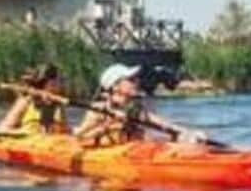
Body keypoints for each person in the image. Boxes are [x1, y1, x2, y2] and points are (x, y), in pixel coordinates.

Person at [75, 63, 209, 148]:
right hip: (106, 159)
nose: (137, 82)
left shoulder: (134, 108)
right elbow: (79, 139)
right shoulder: (99, 109)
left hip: (132, 152)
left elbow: (163, 124)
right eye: (131, 79)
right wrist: (107, 126)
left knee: (177, 139)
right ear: (115, 86)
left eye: (136, 78)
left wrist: (187, 133)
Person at [0, 64, 70, 134]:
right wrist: (26, 132)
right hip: (28, 142)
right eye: (54, 84)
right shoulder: (26, 101)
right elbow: (3, 130)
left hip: (53, 143)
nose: (59, 87)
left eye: (59, 82)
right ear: (42, 84)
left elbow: (67, 132)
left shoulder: (59, 105)